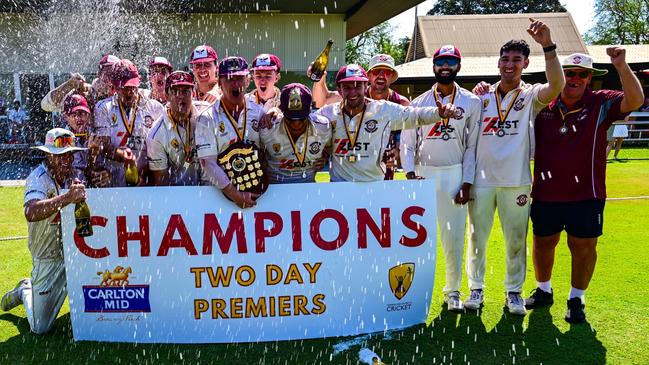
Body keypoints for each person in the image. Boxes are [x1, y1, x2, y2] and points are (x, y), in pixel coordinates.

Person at [524, 50, 644, 323]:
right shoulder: (543, 101)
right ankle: (544, 290)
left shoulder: (601, 102)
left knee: (583, 247)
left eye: (582, 74)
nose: (575, 79)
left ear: (590, 78)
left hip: (586, 193)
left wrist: (621, 65)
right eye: (569, 73)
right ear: (559, 74)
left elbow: (635, 100)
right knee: (543, 243)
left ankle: (576, 298)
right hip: (545, 191)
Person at [465, 18, 565, 316]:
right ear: (498, 62)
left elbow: (557, 85)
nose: (510, 65)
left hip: (516, 181)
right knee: (477, 238)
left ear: (525, 63)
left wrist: (548, 45)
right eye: (506, 59)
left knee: (516, 241)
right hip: (481, 182)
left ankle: (514, 293)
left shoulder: (531, 95)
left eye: (516, 60)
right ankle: (476, 289)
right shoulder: (480, 96)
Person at [400, 45, 481, 312]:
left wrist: (466, 182)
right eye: (440, 61)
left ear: (458, 65)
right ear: (433, 66)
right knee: (417, 239)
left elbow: (472, 146)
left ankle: (453, 291)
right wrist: (410, 174)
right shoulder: (419, 103)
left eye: (451, 61)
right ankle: (412, 294)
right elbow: (408, 144)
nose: (445, 66)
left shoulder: (471, 102)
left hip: (453, 174)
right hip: (423, 175)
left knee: (454, 238)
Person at [1, 128, 87, 334]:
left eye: (69, 155)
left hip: (74, 255)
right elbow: (30, 211)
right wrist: (67, 198)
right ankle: (25, 289)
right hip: (48, 259)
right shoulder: (37, 178)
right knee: (40, 327)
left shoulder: (74, 175)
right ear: (48, 155)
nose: (66, 160)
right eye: (60, 156)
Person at [315, 64, 457, 182]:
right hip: (339, 185)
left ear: (366, 86)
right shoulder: (327, 114)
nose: (353, 92)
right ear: (339, 89)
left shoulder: (382, 110)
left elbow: (415, 115)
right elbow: (305, 125)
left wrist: (438, 113)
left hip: (374, 184)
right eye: (347, 87)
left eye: (358, 86)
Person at [311, 54, 408, 179]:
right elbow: (322, 100)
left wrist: (398, 152)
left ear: (392, 76)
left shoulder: (401, 102)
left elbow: (409, 136)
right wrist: (320, 78)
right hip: (346, 167)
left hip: (382, 167)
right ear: (369, 76)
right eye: (377, 71)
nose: (381, 76)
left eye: (387, 72)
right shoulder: (354, 93)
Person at [195, 56, 266, 207]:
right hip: (215, 197)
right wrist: (236, 195)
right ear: (219, 83)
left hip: (255, 193)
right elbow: (208, 164)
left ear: (247, 81)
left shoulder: (259, 113)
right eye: (229, 79)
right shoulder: (206, 118)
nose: (235, 84)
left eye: (239, 78)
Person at [94, 59, 165, 187]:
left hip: (147, 183)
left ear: (139, 82)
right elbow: (103, 145)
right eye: (124, 88)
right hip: (115, 185)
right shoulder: (104, 108)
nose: (129, 92)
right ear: (114, 86)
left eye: (132, 86)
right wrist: (122, 156)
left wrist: (147, 174)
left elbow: (162, 148)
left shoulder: (155, 108)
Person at [259, 83, 332, 183]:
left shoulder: (323, 127)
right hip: (275, 187)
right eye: (291, 119)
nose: (296, 124)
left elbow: (329, 147)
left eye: (301, 118)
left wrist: (325, 157)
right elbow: (258, 154)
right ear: (282, 111)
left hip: (308, 186)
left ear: (310, 111)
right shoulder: (268, 128)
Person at [147, 71, 211, 186]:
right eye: (175, 92)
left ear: (193, 93)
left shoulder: (208, 114)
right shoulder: (156, 135)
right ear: (167, 96)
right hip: (176, 193)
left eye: (186, 91)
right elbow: (161, 184)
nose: (181, 96)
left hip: (211, 189)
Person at [41, 54, 119, 114]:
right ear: (99, 74)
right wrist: (69, 85)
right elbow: (46, 105)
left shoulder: (125, 95)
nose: (110, 78)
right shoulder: (86, 93)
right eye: (107, 73)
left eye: (114, 73)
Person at [61, 94, 111, 187]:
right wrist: (92, 156)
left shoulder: (96, 135)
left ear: (89, 115)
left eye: (82, 113)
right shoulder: (61, 139)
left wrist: (105, 173)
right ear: (65, 117)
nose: (78, 118)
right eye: (73, 114)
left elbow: (102, 166)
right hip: (70, 191)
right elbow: (73, 173)